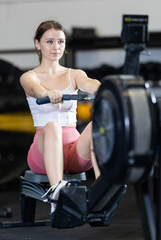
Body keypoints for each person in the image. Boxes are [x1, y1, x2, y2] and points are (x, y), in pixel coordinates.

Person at [20, 20, 101, 213]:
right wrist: (46, 93)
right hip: (42, 152)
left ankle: (103, 189)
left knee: (98, 125)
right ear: (37, 44)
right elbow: (35, 89)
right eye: (49, 41)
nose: (56, 47)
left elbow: (91, 83)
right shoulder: (29, 76)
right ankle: (57, 193)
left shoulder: (74, 74)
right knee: (53, 125)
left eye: (60, 42)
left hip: (74, 154)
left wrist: (104, 90)